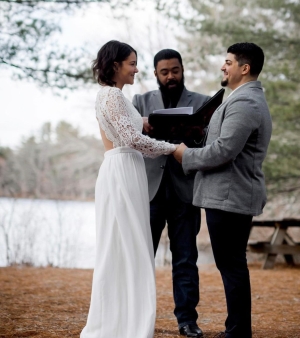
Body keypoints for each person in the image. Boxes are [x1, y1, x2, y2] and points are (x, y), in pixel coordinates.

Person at [173, 42, 272, 338]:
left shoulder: (245, 103)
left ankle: (238, 331)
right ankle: (236, 328)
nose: (222, 66)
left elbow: (224, 150)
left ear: (245, 68)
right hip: (228, 197)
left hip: (230, 198)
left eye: (228, 62)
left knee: (232, 266)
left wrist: (184, 155)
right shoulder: (240, 99)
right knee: (231, 264)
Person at [80, 41, 177, 338]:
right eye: (132, 63)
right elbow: (132, 141)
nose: (136, 69)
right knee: (127, 247)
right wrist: (173, 148)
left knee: (125, 247)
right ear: (115, 65)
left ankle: (124, 320)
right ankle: (125, 325)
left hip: (125, 169)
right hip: (122, 169)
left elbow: (128, 129)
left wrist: (145, 122)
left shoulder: (114, 96)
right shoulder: (112, 95)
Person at [132, 49, 210, 338]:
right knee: (142, 257)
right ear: (155, 74)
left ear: (182, 69)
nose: (170, 76)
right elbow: (125, 136)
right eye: (164, 72)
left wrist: (197, 133)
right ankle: (138, 317)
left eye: (175, 70)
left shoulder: (202, 103)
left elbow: (209, 142)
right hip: (149, 192)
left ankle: (187, 321)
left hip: (185, 192)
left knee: (186, 259)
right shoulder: (139, 102)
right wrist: (138, 122)